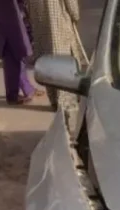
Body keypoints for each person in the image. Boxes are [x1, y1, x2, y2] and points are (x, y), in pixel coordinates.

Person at [26, 0, 87, 128]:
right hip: (59, 23)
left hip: (41, 24)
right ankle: (64, 101)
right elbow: (72, 6)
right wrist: (75, 15)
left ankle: (54, 100)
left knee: (47, 60)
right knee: (62, 60)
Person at [0, 0, 42, 104]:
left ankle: (22, 90)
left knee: (13, 45)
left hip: (0, 6)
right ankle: (15, 93)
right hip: (4, 6)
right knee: (14, 44)